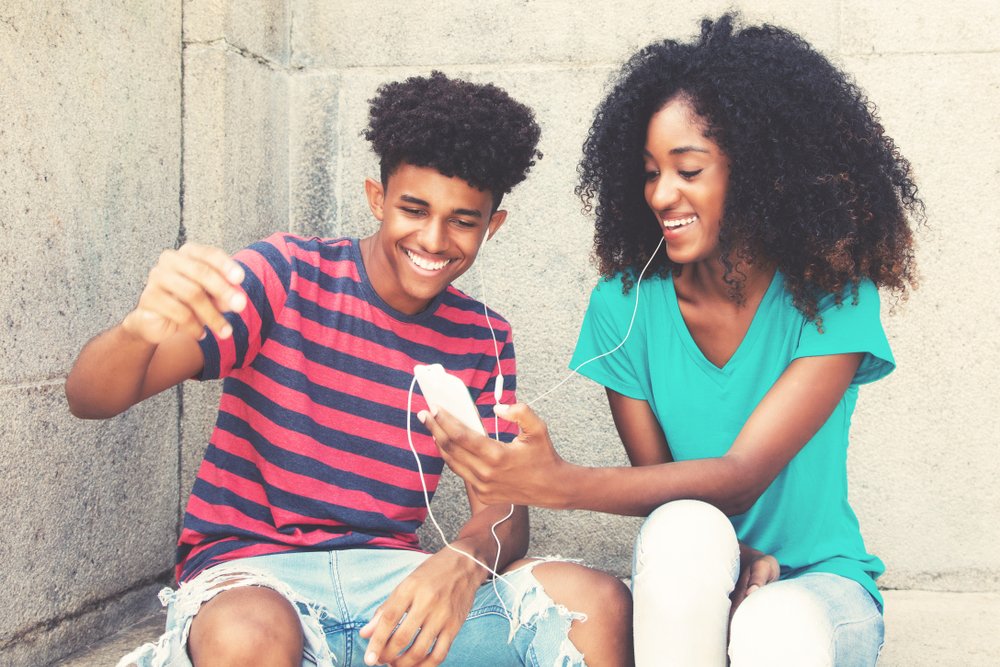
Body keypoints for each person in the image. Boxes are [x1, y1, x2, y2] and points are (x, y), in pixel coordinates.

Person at [65, 71, 632, 667]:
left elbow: (504, 516)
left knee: (594, 603)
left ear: (493, 226)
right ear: (376, 198)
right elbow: (89, 397)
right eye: (413, 209)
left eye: (463, 221)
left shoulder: (483, 336)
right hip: (254, 578)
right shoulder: (285, 275)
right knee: (248, 638)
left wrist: (463, 562)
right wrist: (139, 330)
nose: (434, 239)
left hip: (390, 590)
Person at [423, 15, 920, 667]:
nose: (661, 194)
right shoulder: (623, 306)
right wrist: (731, 564)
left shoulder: (832, 292)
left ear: (760, 171)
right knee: (685, 528)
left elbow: (740, 479)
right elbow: (669, 492)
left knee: (772, 625)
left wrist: (555, 482)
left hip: (819, 589)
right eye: (651, 172)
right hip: (690, 581)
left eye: (688, 169)